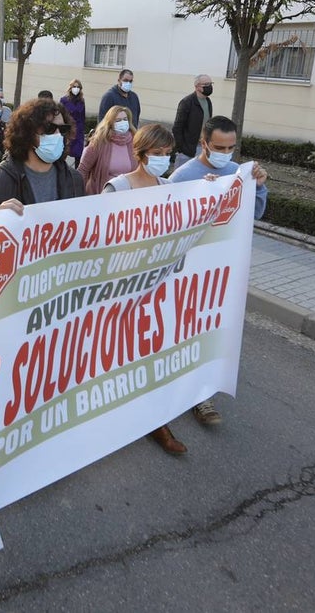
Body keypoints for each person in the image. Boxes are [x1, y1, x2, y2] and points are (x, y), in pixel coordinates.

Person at [169, 115, 268, 426]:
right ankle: (174, 390)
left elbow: (254, 214)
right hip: (185, 272)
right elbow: (168, 223)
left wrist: (259, 187)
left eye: (231, 147)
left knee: (206, 332)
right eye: (218, 147)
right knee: (180, 332)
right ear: (203, 144)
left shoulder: (237, 174)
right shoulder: (184, 176)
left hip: (218, 276)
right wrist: (201, 196)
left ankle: (201, 393)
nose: (225, 153)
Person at [99, 124, 186, 451]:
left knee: (152, 354)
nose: (163, 160)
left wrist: (211, 192)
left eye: (167, 154)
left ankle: (156, 422)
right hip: (119, 288)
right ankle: (109, 416)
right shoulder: (117, 189)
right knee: (115, 354)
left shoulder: (168, 187)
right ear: (141, 153)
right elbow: (97, 236)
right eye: (157, 154)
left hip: (156, 289)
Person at [0, 99, 85, 215]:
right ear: (27, 133)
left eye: (63, 129)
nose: (57, 135)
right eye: (49, 128)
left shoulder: (74, 179)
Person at [77, 106, 136, 196]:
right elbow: (82, 171)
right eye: (118, 120)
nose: (122, 122)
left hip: (126, 197)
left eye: (125, 119)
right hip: (100, 195)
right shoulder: (98, 142)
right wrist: (80, 196)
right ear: (110, 123)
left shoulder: (134, 141)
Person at [172, 74, 214, 168]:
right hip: (187, 150)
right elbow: (177, 128)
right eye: (206, 84)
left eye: (211, 83)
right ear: (197, 86)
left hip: (202, 147)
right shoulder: (187, 102)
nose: (209, 87)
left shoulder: (208, 101)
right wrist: (182, 148)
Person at [59, 80, 87, 163]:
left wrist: (83, 129)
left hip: (78, 129)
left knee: (78, 153)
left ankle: (77, 171)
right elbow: (61, 115)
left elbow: (83, 116)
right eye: (74, 87)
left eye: (78, 87)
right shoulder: (64, 100)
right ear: (70, 88)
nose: (76, 88)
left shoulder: (81, 101)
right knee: (64, 151)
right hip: (68, 129)